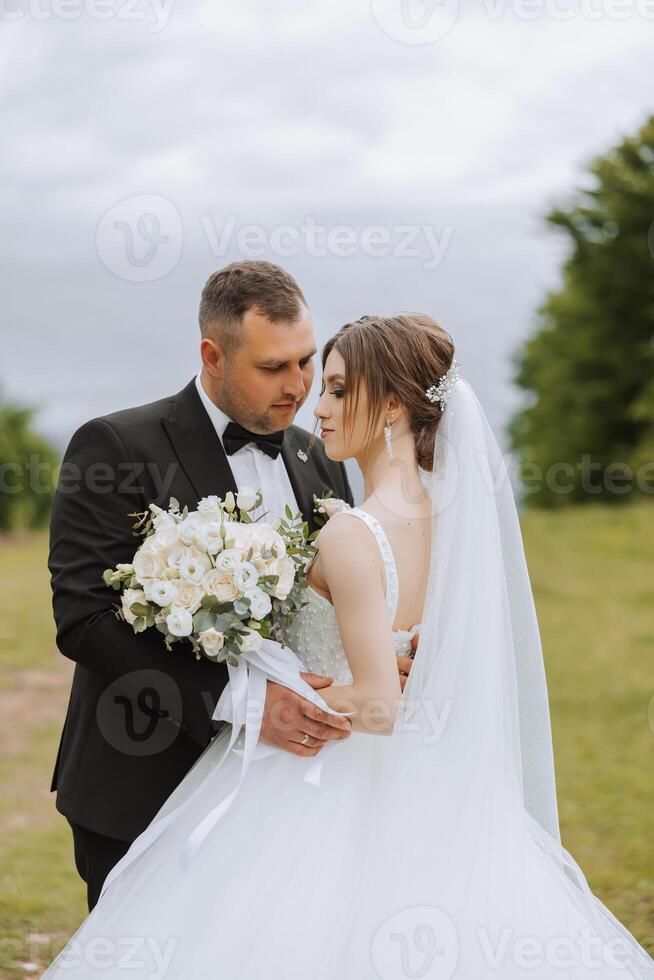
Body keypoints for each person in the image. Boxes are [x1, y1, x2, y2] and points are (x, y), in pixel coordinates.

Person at [44, 314, 654, 978]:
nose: (317, 404)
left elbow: (378, 704)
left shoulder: (350, 529)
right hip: (416, 781)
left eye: (335, 387)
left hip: (312, 773)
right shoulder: (454, 525)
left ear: (391, 404)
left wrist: (298, 692)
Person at [49, 261, 406, 913]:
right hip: (143, 780)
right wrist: (237, 700)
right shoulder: (114, 447)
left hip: (293, 793)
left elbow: (327, 601)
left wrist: (381, 652)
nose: (299, 387)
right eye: (274, 368)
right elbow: (85, 620)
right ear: (213, 355)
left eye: (305, 362)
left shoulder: (319, 455)